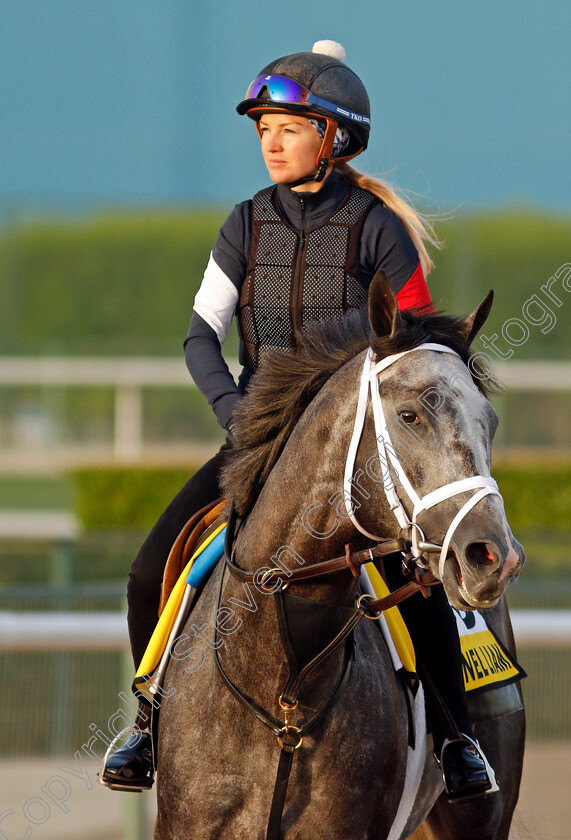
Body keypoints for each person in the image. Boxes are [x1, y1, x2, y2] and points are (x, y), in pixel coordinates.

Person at [101, 40, 493, 801]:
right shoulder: (243, 224)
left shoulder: (379, 228)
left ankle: (456, 738)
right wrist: (236, 413)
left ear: (334, 137)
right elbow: (198, 337)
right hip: (253, 440)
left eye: (288, 127)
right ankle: (148, 721)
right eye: (262, 131)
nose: (271, 143)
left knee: (414, 579)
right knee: (151, 569)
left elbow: (417, 349)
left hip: (357, 453)